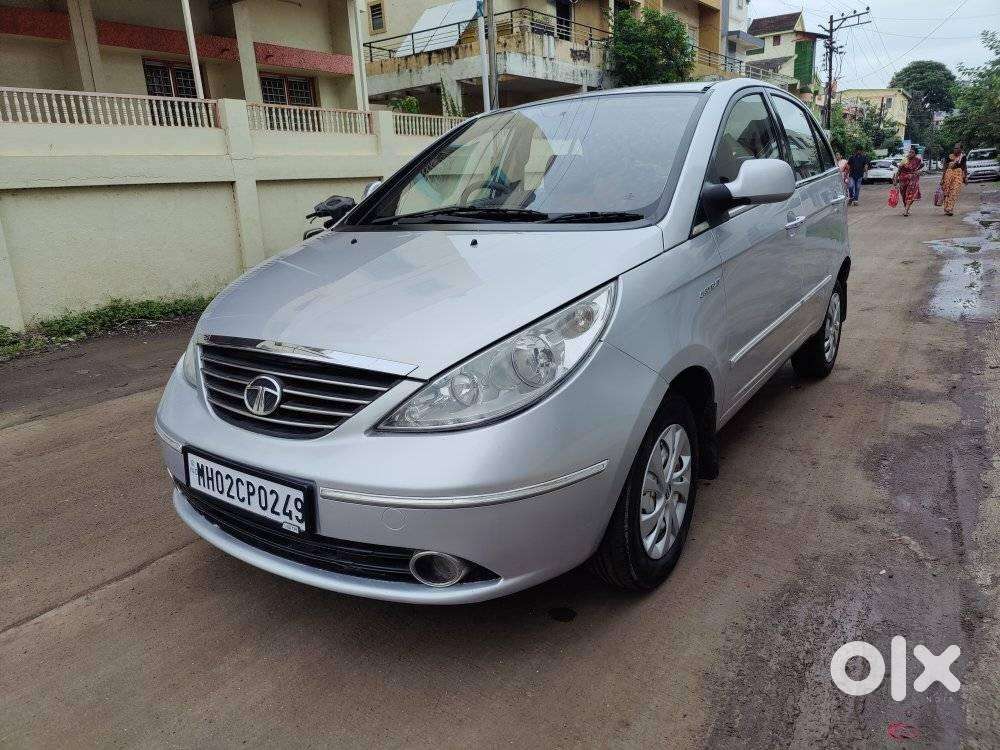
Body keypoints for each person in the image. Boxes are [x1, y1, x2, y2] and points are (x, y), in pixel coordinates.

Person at [893, 145, 923, 217]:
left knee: (911, 194)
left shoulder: (918, 160)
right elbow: (899, 170)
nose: (910, 153)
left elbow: (922, 167)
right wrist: (895, 180)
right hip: (903, 180)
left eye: (912, 152)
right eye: (910, 152)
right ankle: (906, 207)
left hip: (913, 179)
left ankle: (906, 210)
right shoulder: (904, 160)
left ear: (915, 154)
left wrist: (918, 171)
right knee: (904, 195)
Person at [940, 142, 967, 216]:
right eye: (954, 148)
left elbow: (964, 167)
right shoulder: (949, 156)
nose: (955, 149)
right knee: (947, 192)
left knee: (954, 191)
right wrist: (942, 178)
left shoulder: (963, 157)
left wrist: (965, 177)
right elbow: (945, 167)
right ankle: (946, 208)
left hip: (958, 175)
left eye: (957, 148)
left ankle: (950, 208)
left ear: (961, 149)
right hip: (948, 175)